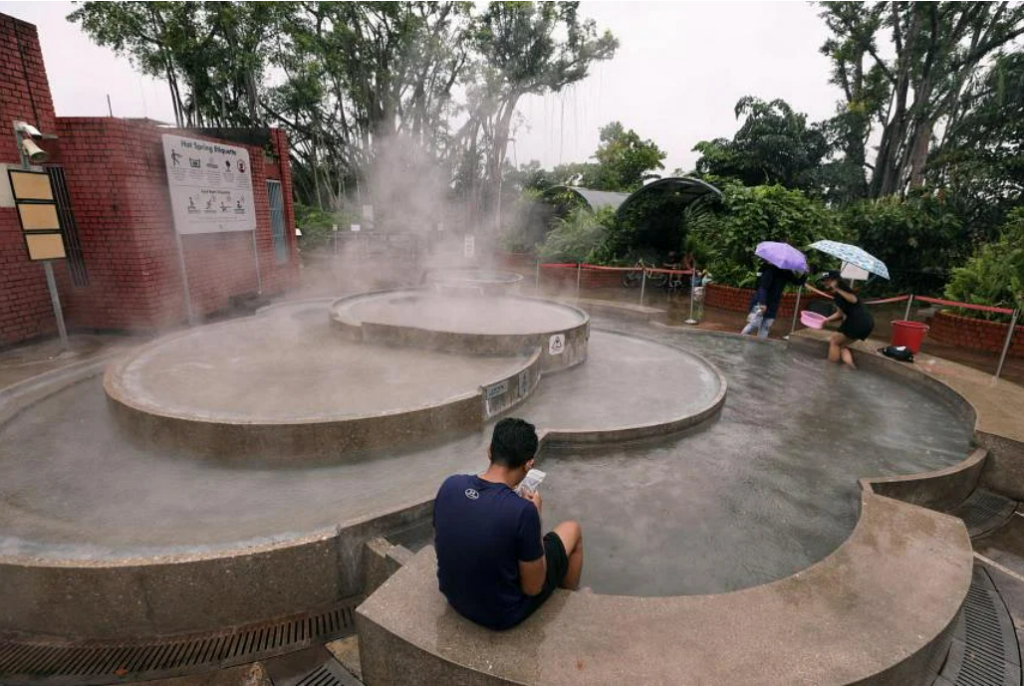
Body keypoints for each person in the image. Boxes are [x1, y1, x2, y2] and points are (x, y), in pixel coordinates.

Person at [433, 418, 584, 631]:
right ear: (528, 465)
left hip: (452, 596)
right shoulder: (523, 512)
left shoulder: (450, 485)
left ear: (489, 451)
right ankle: (570, 599)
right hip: (501, 614)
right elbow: (533, 587)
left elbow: (446, 541)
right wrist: (536, 516)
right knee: (572, 529)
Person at [810, 270, 875, 368]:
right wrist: (826, 320)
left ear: (835, 280)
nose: (824, 283)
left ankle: (831, 370)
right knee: (841, 345)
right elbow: (839, 314)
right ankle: (851, 368)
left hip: (858, 320)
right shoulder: (837, 295)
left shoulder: (844, 290)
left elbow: (853, 300)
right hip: (866, 322)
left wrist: (837, 287)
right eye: (822, 280)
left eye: (826, 280)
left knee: (834, 342)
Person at [740, 263, 807, 339]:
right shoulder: (770, 271)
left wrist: (805, 274)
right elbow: (762, 288)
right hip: (761, 301)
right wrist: (762, 303)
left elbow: (797, 282)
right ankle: (740, 339)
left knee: (766, 326)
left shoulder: (787, 272)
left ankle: (760, 345)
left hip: (773, 303)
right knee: (753, 324)